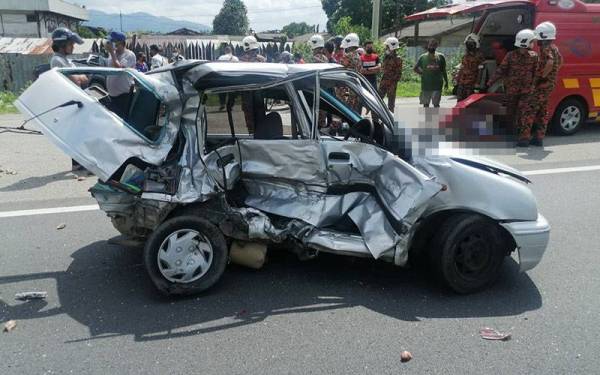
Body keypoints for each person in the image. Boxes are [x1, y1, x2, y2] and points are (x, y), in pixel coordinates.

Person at [487, 29, 538, 147]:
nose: (533, 43)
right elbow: (537, 74)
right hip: (524, 91)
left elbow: (501, 70)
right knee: (522, 114)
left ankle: (515, 136)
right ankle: (523, 138)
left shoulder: (511, 55)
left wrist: (490, 82)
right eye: (532, 41)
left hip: (514, 90)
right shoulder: (533, 56)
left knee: (513, 113)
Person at [49, 27, 89, 172]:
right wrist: (80, 77)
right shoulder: (58, 60)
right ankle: (78, 163)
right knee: (76, 134)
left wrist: (80, 77)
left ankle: (79, 162)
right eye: (71, 44)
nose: (73, 47)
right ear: (62, 44)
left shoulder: (66, 60)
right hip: (69, 101)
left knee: (80, 132)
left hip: (75, 100)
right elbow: (77, 80)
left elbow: (81, 77)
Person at [527, 21, 563, 146]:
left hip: (543, 85)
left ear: (543, 36)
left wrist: (542, 76)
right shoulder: (554, 48)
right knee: (542, 111)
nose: (537, 40)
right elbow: (560, 62)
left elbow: (550, 62)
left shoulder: (545, 48)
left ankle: (524, 138)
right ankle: (539, 137)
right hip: (549, 85)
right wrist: (552, 75)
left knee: (530, 109)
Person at [104, 31, 137, 120]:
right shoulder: (112, 54)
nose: (110, 43)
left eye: (112, 42)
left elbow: (120, 69)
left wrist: (111, 52)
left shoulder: (129, 55)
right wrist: (112, 53)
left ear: (120, 43)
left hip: (123, 96)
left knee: (122, 121)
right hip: (112, 95)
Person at [239, 35, 266, 134]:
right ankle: (259, 133)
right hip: (259, 91)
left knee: (249, 116)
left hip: (246, 93)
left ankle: (252, 133)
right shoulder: (262, 59)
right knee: (260, 115)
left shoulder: (241, 61)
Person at [414, 39, 448, 108]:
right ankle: (427, 118)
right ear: (428, 45)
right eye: (430, 45)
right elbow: (415, 68)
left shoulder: (441, 57)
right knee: (426, 105)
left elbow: (443, 70)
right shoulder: (422, 57)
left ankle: (436, 118)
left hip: (437, 86)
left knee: (436, 105)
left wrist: (446, 81)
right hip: (426, 86)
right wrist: (422, 73)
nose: (431, 47)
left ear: (436, 46)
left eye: (433, 45)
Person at [456, 33, 485, 101]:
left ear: (476, 44)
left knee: (469, 102)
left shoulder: (479, 56)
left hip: (471, 84)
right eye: (468, 43)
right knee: (460, 102)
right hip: (462, 83)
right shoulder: (465, 56)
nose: (469, 45)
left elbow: (480, 71)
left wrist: (477, 83)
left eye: (471, 43)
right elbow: (462, 68)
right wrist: (458, 79)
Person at [339, 33, 363, 112]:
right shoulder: (358, 56)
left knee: (346, 112)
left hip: (348, 88)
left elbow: (340, 68)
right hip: (356, 87)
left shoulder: (348, 56)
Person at [379, 37, 403, 112]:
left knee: (391, 104)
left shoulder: (398, 58)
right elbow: (383, 68)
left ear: (391, 47)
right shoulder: (386, 57)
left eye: (387, 46)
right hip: (384, 81)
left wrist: (392, 81)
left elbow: (399, 73)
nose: (386, 48)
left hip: (392, 83)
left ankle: (390, 120)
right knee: (378, 100)